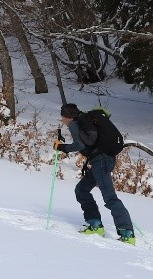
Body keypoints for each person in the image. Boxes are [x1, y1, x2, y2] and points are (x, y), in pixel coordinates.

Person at [55, 102, 135, 243]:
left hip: (101, 162)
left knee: (110, 198)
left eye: (62, 117)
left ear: (67, 117)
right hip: (105, 160)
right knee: (82, 190)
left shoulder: (74, 124)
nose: (62, 120)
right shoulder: (85, 119)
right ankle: (95, 224)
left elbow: (79, 145)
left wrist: (61, 147)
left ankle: (127, 233)